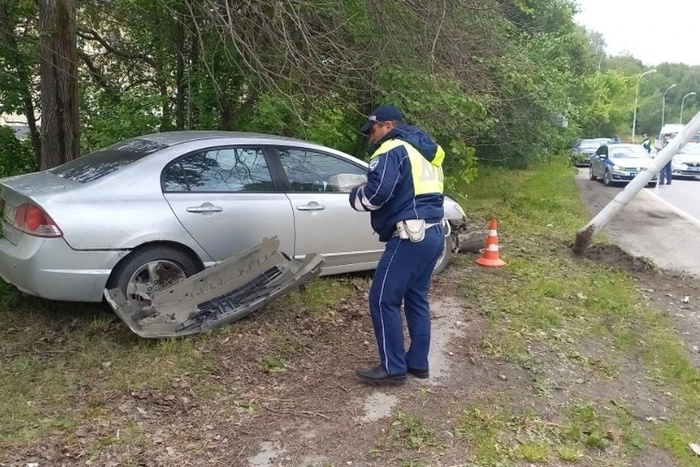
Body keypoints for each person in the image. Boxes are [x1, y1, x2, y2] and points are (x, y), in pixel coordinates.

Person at [349, 105, 446, 384]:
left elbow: (378, 193)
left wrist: (354, 196)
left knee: (382, 299)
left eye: (374, 129)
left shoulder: (391, 149)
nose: (372, 137)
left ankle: (393, 369)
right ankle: (418, 363)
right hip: (434, 232)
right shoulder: (427, 151)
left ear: (388, 126)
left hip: (409, 235)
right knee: (416, 299)